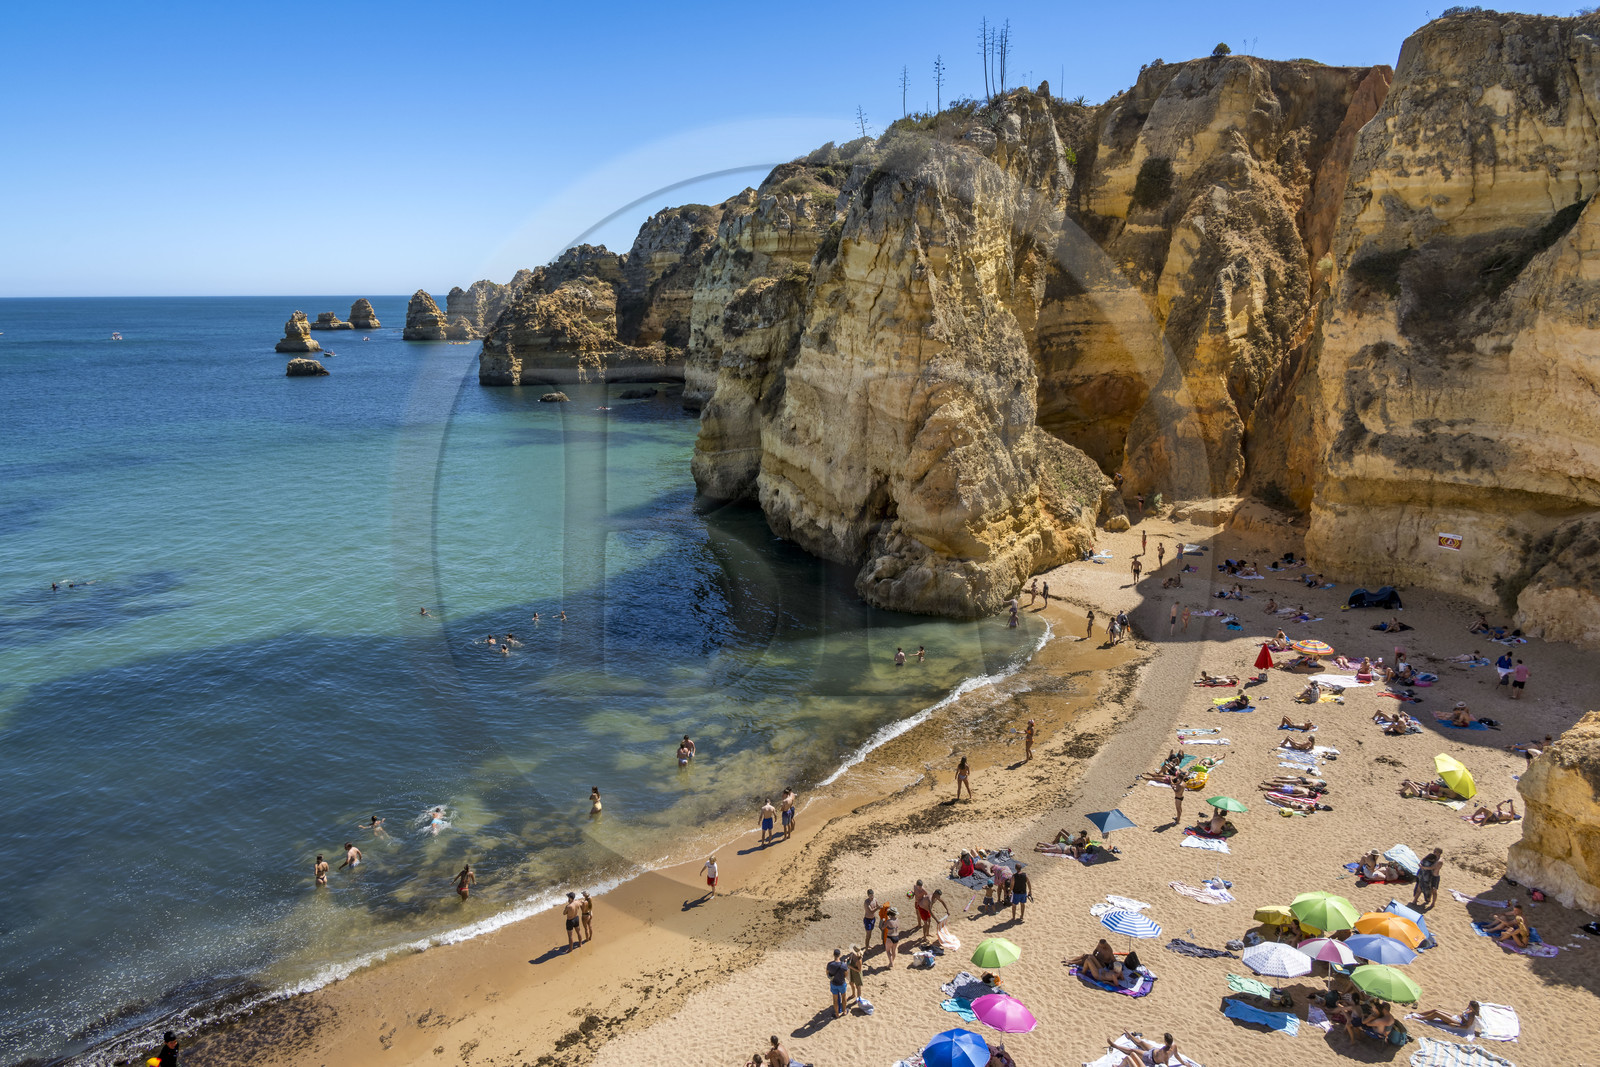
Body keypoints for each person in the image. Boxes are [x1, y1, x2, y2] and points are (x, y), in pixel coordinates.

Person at [1109, 1031, 1177, 1067]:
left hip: (1150, 1057)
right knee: (1141, 1042)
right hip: (1154, 1050)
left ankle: (1115, 1046)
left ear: (1166, 1041)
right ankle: (1130, 1035)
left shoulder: (1166, 1053)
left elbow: (1166, 1061)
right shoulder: (1172, 1046)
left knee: (1132, 1051)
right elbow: (1177, 1056)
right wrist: (1184, 1063)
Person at [1415, 1001, 1481, 1031]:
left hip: (1458, 1022)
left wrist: (1455, 1025)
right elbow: (1462, 1015)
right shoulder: (1469, 1010)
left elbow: (1467, 1026)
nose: (1468, 1006)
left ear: (1473, 1007)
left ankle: (1421, 1018)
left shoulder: (1471, 1016)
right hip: (1455, 1017)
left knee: (1437, 1013)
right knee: (1435, 1010)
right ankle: (1419, 1013)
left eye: (1470, 1005)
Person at [825, 947, 849, 1017]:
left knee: (835, 1000)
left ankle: (837, 1014)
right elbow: (846, 974)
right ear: (840, 955)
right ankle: (844, 1011)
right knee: (844, 997)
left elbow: (827, 973)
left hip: (834, 983)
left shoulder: (830, 964)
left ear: (833, 955)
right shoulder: (843, 965)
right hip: (841, 983)